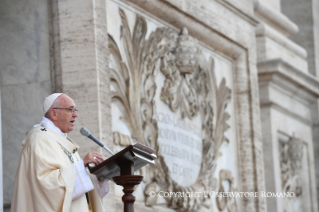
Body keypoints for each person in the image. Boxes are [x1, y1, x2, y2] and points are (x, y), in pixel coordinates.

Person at [11, 93, 109, 212]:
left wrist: (98, 175)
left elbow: (82, 188)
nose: (76, 114)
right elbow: (45, 187)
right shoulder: (39, 140)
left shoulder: (64, 142)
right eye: (70, 110)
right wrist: (81, 165)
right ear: (54, 113)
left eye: (75, 110)